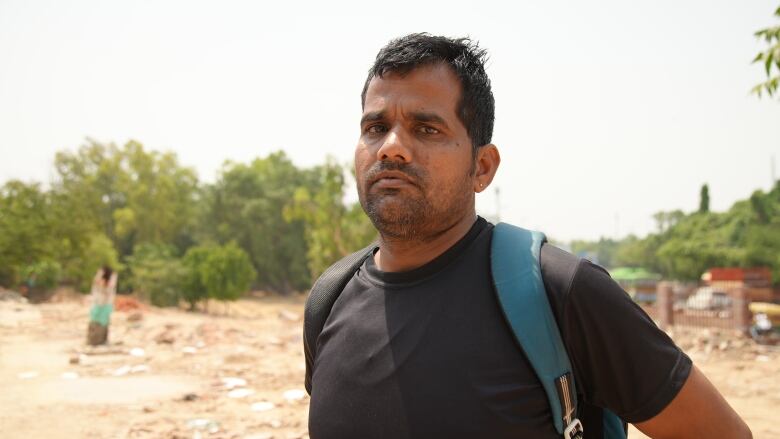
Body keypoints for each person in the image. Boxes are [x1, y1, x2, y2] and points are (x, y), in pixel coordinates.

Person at [305, 33, 752, 438]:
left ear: (482, 168)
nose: (391, 146)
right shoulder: (329, 299)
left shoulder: (560, 291)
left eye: (427, 128)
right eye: (375, 127)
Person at [87, 265, 117, 346]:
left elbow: (109, 287)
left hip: (106, 304)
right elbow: (97, 282)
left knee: (103, 324)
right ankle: (93, 341)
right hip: (98, 303)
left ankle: (101, 341)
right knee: (95, 322)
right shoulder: (98, 283)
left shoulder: (111, 280)